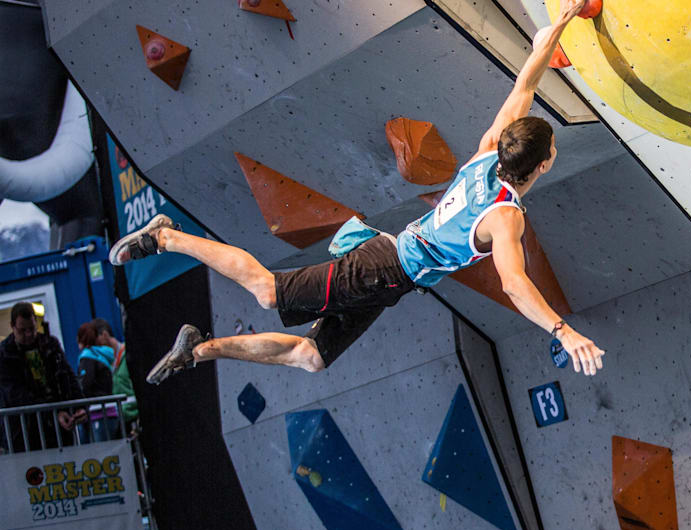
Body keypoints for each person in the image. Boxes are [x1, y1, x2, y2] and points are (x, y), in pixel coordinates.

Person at [110, 0, 605, 384]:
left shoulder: (487, 151)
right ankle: (167, 238)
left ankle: (198, 349)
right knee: (266, 291)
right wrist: (562, 331)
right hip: (383, 269)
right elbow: (515, 284)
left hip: (390, 272)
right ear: (544, 164)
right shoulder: (506, 216)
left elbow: (526, 79)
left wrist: (561, 18)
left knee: (311, 358)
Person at [0, 302, 84, 449]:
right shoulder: (4, 354)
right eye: (22, 330)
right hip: (24, 431)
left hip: (57, 427)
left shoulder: (50, 344)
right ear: (13, 327)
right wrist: (54, 413)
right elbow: (16, 394)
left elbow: (68, 375)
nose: (28, 335)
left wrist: (79, 406)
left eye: (32, 329)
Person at [92, 318, 138, 422]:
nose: (96, 348)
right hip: (119, 420)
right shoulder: (102, 362)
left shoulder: (129, 354)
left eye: (96, 343)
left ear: (104, 335)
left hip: (134, 418)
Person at [77, 321, 114, 398]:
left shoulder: (87, 358)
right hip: (111, 403)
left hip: (97, 406)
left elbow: (86, 385)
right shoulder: (106, 354)